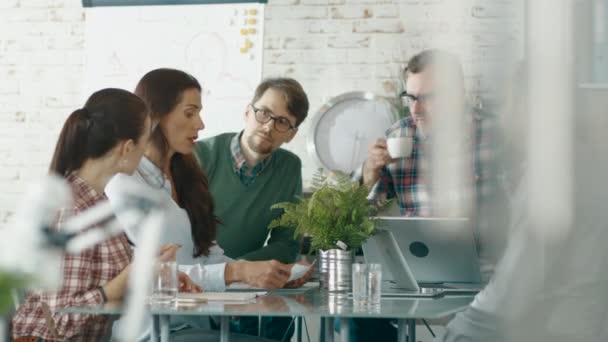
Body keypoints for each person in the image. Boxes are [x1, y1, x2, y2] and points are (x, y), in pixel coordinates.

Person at [10, 88, 188, 341]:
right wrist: (125, 280)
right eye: (145, 138)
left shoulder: (96, 202)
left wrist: (151, 274)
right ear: (127, 148)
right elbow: (58, 321)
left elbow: (101, 285)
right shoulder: (72, 211)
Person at [192, 77, 312, 340]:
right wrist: (233, 273)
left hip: (250, 286)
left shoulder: (289, 167)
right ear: (248, 112)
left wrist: (245, 271)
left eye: (282, 122)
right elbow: (184, 234)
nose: (268, 126)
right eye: (264, 113)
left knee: (282, 319)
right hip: (198, 281)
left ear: (291, 134)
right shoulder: (201, 155)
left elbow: (288, 242)